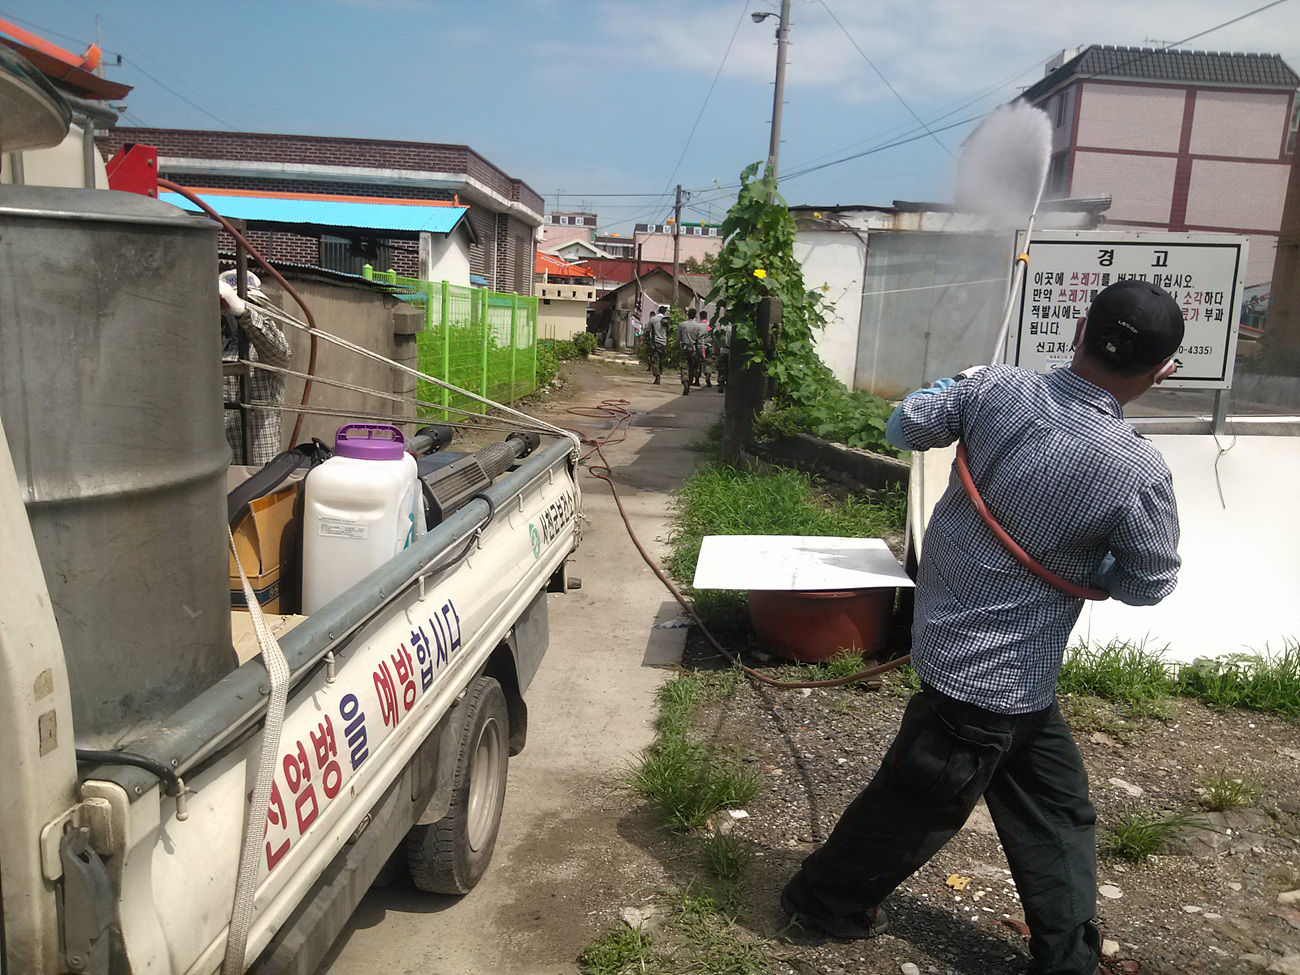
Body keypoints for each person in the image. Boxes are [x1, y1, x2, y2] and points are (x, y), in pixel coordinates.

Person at [780, 279, 1185, 975]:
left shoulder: (997, 389)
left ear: (1080, 326)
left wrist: (955, 387)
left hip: (991, 672)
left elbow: (903, 426)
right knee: (915, 805)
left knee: (1058, 811)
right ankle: (820, 901)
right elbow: (1151, 581)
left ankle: (1067, 959)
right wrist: (1093, 563)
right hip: (987, 683)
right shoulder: (1139, 468)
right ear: (1159, 372)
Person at [220, 269, 292, 467]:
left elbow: (280, 354)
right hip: (220, 460)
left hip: (258, 462)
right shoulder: (216, 345)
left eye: (254, 304)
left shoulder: (263, 346)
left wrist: (244, 312)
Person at [676, 308, 707, 395]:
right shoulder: (698, 326)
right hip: (693, 349)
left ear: (687, 314)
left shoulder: (682, 325)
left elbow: (678, 339)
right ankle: (689, 381)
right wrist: (702, 353)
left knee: (683, 367)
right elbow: (701, 341)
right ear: (695, 316)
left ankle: (685, 380)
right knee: (692, 367)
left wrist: (678, 346)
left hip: (684, 348)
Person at [645, 305, 670, 384]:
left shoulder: (653, 319)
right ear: (664, 312)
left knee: (655, 360)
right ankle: (660, 370)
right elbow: (668, 331)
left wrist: (647, 340)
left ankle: (657, 376)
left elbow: (648, 330)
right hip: (664, 343)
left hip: (655, 343)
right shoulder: (666, 320)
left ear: (658, 311)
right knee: (662, 359)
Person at [712, 306, 732, 393]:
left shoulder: (721, 327)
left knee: (721, 367)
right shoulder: (733, 328)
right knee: (729, 368)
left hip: (722, 350)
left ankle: (721, 382)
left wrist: (715, 349)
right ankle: (728, 383)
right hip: (731, 351)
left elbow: (716, 339)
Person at [697, 310, 713, 387]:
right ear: (706, 316)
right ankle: (708, 375)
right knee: (708, 363)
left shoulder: (698, 326)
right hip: (709, 346)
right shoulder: (710, 325)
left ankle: (697, 380)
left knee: (698, 364)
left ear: (700, 317)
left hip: (700, 347)